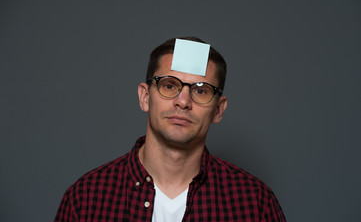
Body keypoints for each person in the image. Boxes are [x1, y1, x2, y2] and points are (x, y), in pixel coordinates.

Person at [55, 37, 286, 221]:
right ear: (145, 97)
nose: (183, 101)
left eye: (201, 90)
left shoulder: (255, 205)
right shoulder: (85, 200)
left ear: (218, 110)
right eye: (169, 85)